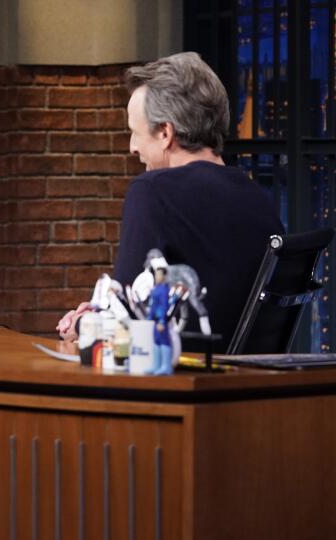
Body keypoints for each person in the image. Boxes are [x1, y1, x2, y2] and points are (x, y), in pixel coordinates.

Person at [58, 52, 284, 350]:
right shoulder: (258, 198)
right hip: (250, 385)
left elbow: (125, 331)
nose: (131, 147)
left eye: (134, 133)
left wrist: (84, 324)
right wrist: (104, 313)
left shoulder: (153, 192)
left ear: (165, 133)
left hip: (179, 385)